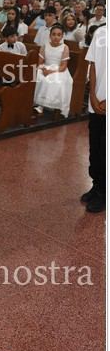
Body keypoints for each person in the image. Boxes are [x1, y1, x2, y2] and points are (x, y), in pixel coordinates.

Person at [82, 26, 106, 213]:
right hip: (96, 101)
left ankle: (105, 192)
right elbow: (94, 65)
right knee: (95, 147)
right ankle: (96, 185)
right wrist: (92, 95)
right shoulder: (101, 32)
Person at [33, 24, 73, 117]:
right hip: (45, 67)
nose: (56, 37)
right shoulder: (45, 46)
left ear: (62, 36)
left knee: (52, 79)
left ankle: (43, 105)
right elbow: (40, 62)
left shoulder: (65, 47)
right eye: (53, 34)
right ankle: (35, 102)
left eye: (59, 35)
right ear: (50, 35)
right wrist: (44, 69)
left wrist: (51, 71)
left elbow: (63, 66)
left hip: (58, 70)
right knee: (36, 76)